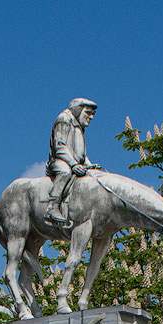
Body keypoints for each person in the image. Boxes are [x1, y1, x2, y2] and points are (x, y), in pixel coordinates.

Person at [43, 98, 101, 230]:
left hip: (74, 162)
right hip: (59, 162)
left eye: (93, 114)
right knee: (65, 172)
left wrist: (89, 165)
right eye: (88, 113)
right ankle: (52, 207)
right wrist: (74, 165)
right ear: (78, 110)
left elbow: (81, 153)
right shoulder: (64, 119)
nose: (91, 117)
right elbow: (60, 147)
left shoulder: (79, 125)